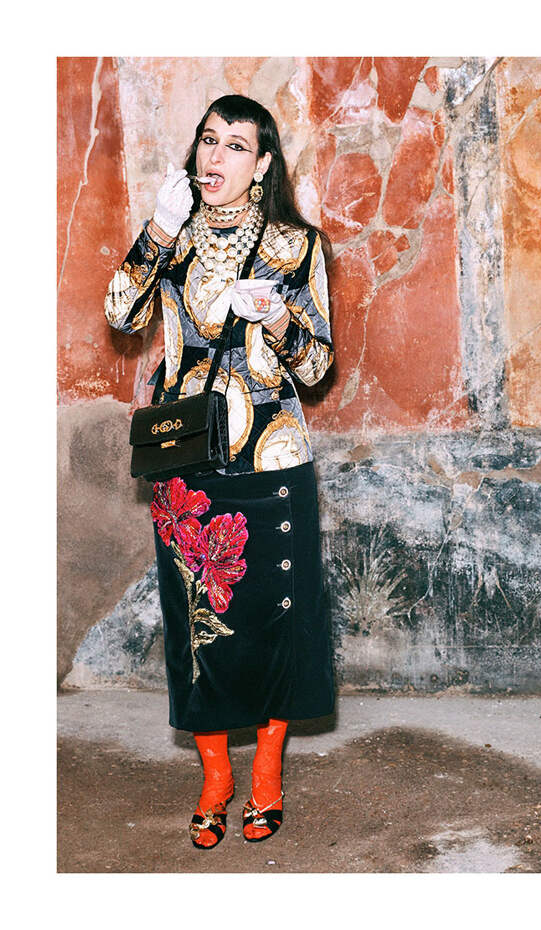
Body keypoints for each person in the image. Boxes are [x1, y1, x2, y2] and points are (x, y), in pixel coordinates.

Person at [104, 94, 335, 849]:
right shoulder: (171, 235)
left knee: (276, 621)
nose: (216, 156)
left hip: (273, 457)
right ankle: (215, 777)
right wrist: (157, 230)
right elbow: (119, 314)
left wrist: (280, 321)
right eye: (209, 139)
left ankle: (266, 771)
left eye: (237, 145)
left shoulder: (297, 245)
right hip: (188, 461)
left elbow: (318, 365)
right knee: (197, 625)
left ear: (262, 166)